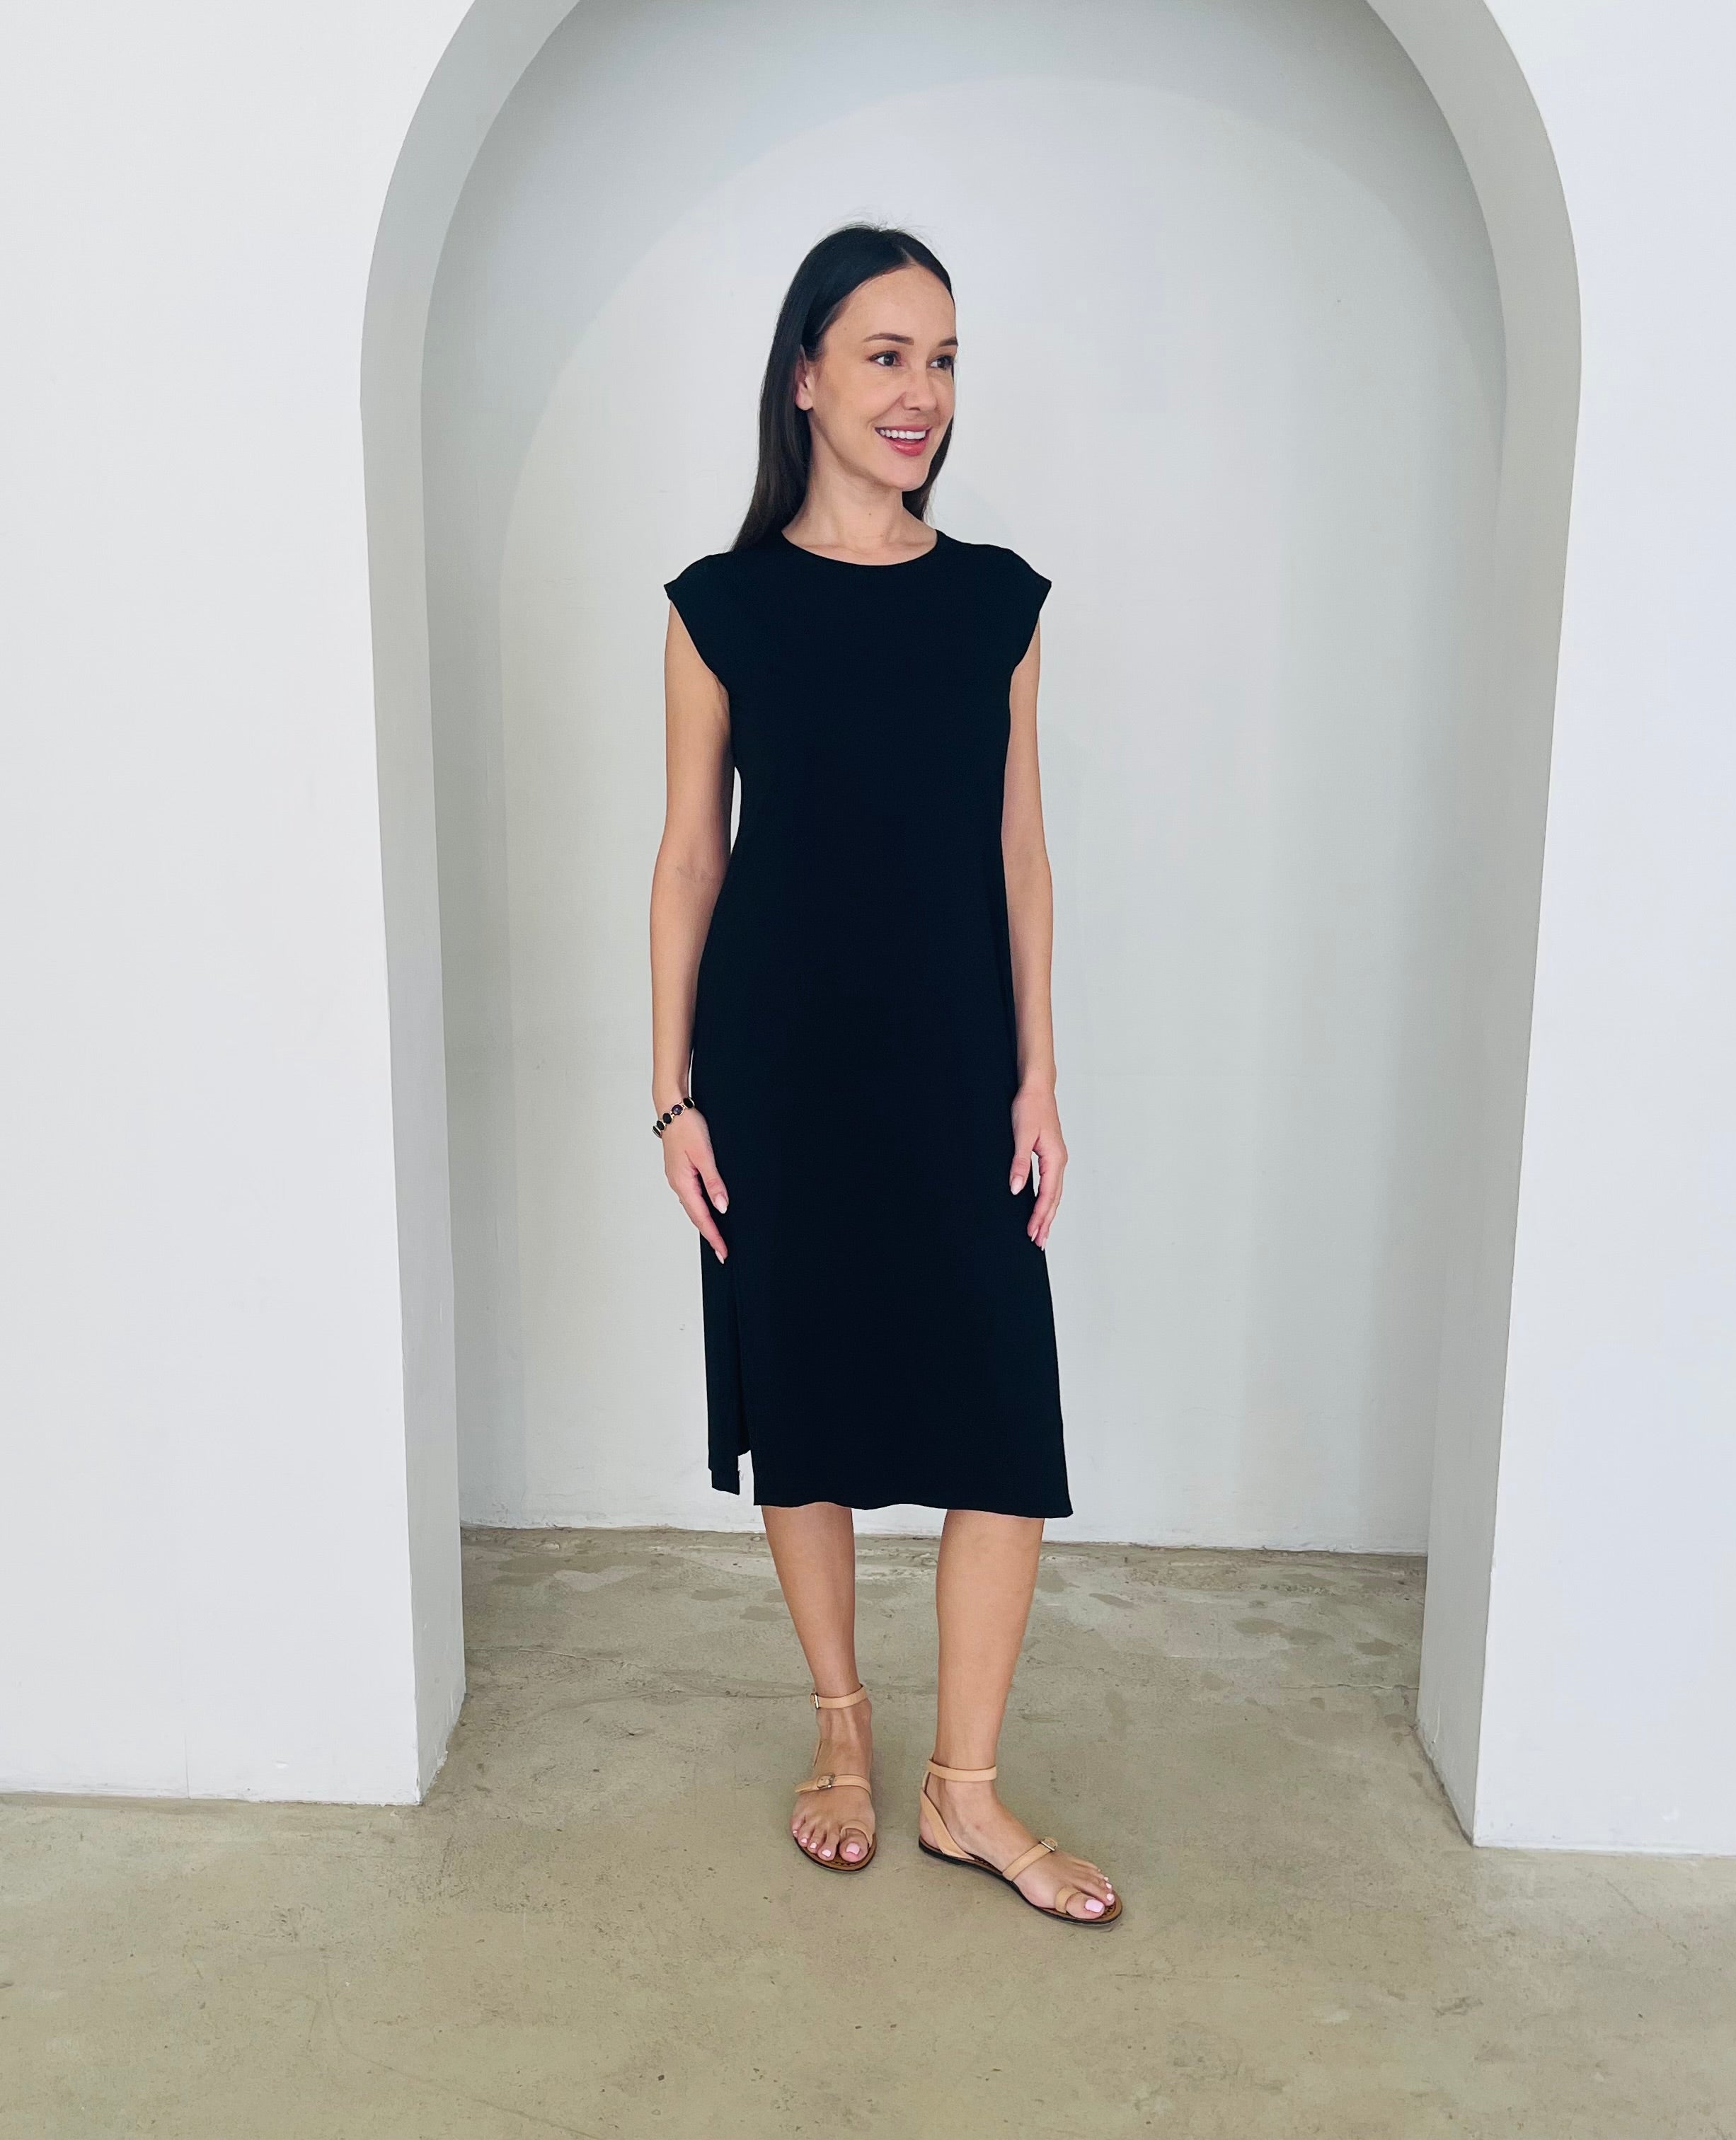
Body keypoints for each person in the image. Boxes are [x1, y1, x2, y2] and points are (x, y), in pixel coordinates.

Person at [649, 225, 1120, 1926]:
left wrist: (1039, 1076)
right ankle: (843, 1735)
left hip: (956, 1064)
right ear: (805, 375)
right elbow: (690, 858)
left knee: (1003, 1422)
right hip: (776, 1065)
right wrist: (672, 1093)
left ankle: (963, 1792)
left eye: (943, 359)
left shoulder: (999, 604)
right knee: (810, 1409)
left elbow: (1022, 859)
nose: (922, 392)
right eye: (886, 354)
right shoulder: (722, 608)